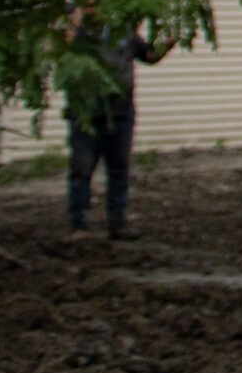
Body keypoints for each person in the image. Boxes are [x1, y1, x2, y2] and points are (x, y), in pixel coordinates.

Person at [66, 14, 171, 240]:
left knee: (119, 168)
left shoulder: (122, 31)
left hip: (121, 111)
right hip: (86, 114)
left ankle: (118, 223)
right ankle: (78, 225)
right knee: (81, 168)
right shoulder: (76, 32)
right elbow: (60, 47)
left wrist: (167, 45)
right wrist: (75, 17)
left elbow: (149, 55)